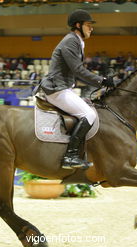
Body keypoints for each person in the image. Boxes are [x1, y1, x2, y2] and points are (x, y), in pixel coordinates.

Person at [38, 9, 114, 169]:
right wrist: (102, 81)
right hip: (56, 88)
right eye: (88, 25)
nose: (91, 28)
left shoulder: (77, 41)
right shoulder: (70, 41)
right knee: (89, 114)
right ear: (78, 25)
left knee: (90, 108)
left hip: (64, 87)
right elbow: (78, 70)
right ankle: (70, 156)